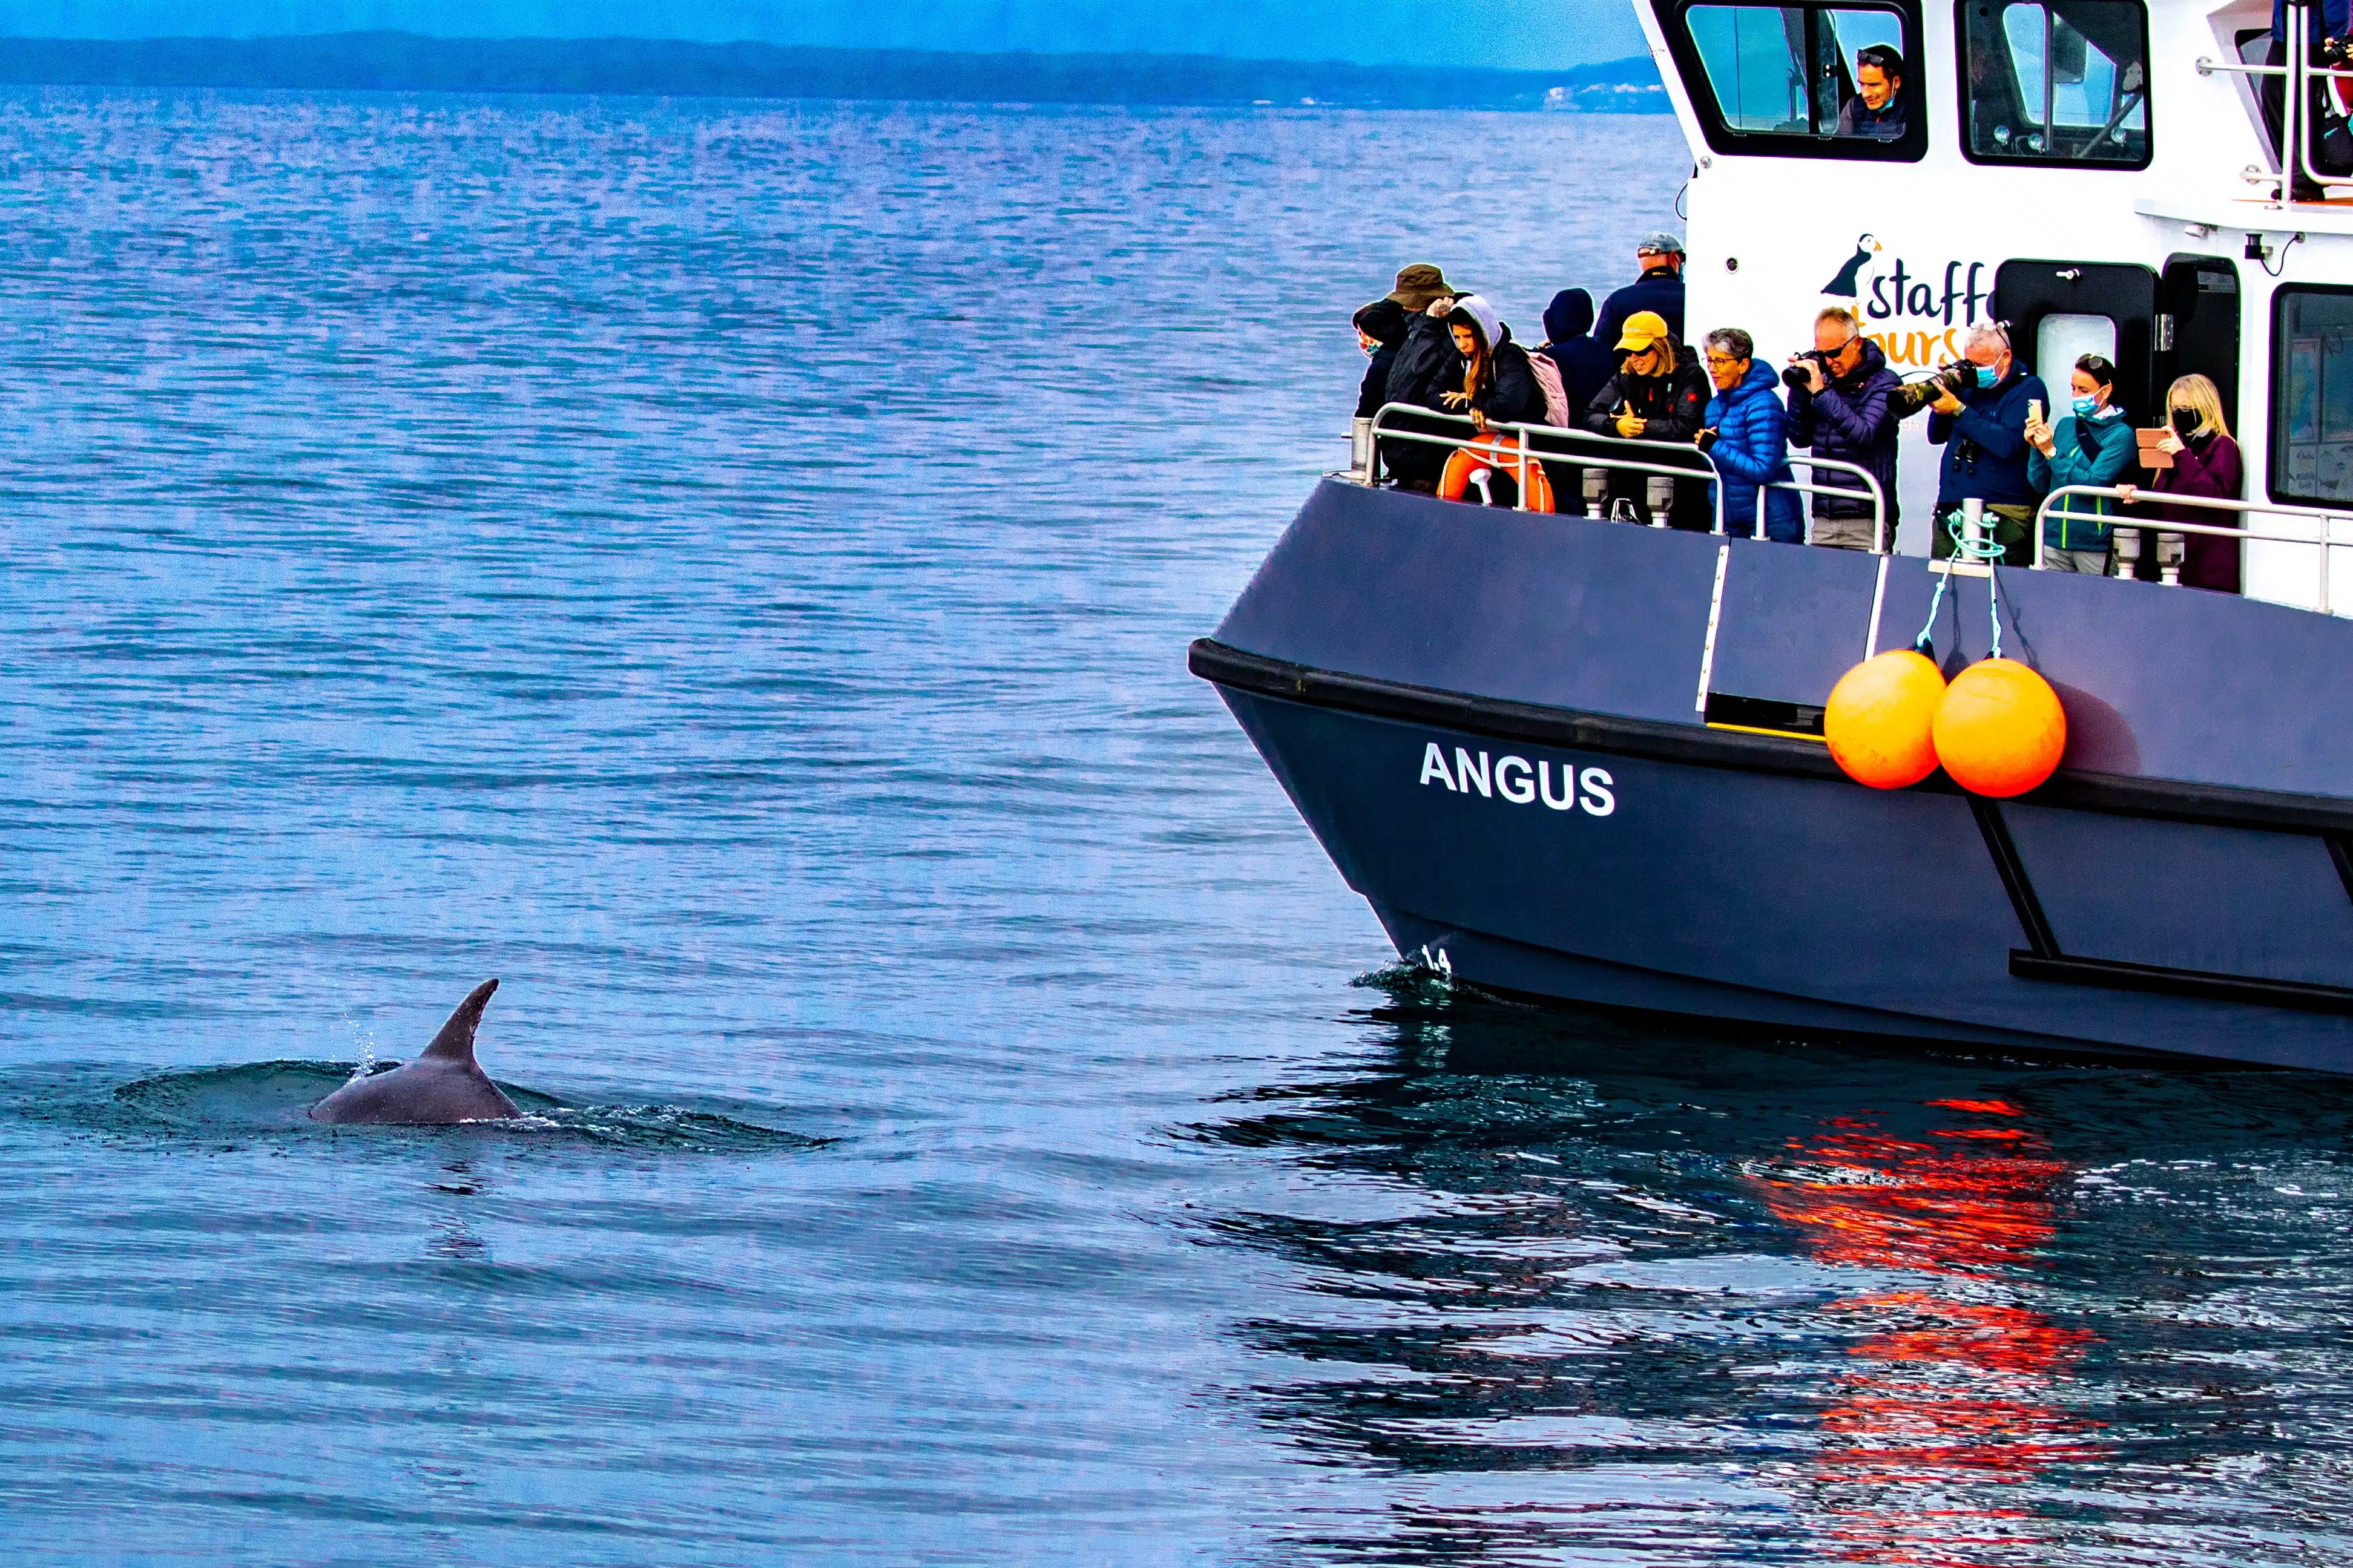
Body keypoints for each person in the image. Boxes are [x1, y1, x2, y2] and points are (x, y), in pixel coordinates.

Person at [1926, 322, 2049, 565]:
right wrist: (1947, 391)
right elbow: (1936, 435)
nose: (1976, 371)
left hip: (2003, 513)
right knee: (1944, 584)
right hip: (1951, 509)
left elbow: (2007, 443)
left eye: (1981, 365)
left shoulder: (2029, 388)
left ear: (2006, 357)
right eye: (1970, 364)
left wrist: (1959, 409)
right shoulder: (1968, 386)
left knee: (1997, 587)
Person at [1581, 309, 1713, 528]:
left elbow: (1688, 426)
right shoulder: (1627, 372)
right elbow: (1590, 414)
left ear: (1660, 347)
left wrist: (1639, 427)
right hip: (1634, 477)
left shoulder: (1691, 375)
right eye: (1628, 351)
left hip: (1680, 481)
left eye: (1641, 351)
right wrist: (1617, 425)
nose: (1634, 358)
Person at [1785, 306, 1901, 549]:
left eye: (1835, 353)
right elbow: (1799, 437)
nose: (1829, 361)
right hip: (1824, 515)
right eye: (1822, 354)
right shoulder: (1824, 381)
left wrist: (1821, 393)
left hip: (1868, 515)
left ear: (1856, 344)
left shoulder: (1886, 382)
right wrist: (1799, 389)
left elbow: (1864, 433)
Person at [2124, 374, 2245, 593]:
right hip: (2172, 561)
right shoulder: (2175, 446)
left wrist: (2182, 455)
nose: (2180, 414)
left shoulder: (2223, 446)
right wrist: (2139, 497)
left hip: (2208, 567)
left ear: (2205, 407)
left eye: (2187, 408)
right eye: (2175, 409)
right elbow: (2165, 503)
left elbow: (2215, 496)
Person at [1433, 295, 1550, 506]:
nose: (1462, 344)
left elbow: (1507, 405)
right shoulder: (1462, 358)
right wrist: (1469, 407)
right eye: (1457, 337)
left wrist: (1473, 400)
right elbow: (1432, 394)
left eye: (1468, 336)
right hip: (1490, 447)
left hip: (1532, 444)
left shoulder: (1509, 356)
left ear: (1482, 332)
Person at [2026, 353, 2133, 572]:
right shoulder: (2065, 425)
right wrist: (2037, 449)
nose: (2076, 396)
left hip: (2094, 543)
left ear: (2106, 391)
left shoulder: (2122, 435)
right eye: (2073, 388)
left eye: (2084, 390)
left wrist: (2051, 452)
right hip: (2053, 538)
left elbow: (2090, 486)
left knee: (2097, 597)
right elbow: (2039, 483)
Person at [1696, 327, 1804, 543]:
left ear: (1743, 365)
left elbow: (1763, 469)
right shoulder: (1715, 406)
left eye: (1720, 361)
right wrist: (1707, 448)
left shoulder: (1765, 404)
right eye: (1709, 360)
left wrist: (1714, 446)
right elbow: (1718, 465)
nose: (1712, 369)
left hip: (1771, 522)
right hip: (1728, 520)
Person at [1377, 264, 1467, 491]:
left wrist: (1430, 322)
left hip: (1423, 455)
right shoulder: (1415, 329)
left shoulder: (1444, 333)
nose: (1404, 307)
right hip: (1405, 450)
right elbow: (1370, 317)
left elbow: (1424, 366)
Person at [1533, 288, 1617, 508]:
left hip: (1568, 443)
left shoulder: (1554, 356)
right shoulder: (1605, 350)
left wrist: (1539, 351)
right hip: (1604, 439)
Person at [2263, 0, 2352, 201]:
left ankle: (2304, 179)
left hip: (2311, 33)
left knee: (2297, 103)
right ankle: (2302, 175)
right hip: (2288, 29)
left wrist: (2337, 37)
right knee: (2275, 97)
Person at [1594, 233, 1685, 351]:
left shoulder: (1617, 300)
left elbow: (1601, 349)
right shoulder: (1692, 297)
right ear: (1672, 258)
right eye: (1682, 261)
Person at [1352, 298, 1409, 421]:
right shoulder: (1411, 351)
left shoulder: (1380, 367)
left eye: (1362, 334)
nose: (1362, 340)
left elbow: (1366, 411)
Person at [1837, 44, 1906, 139]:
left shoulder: (1913, 111)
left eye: (1874, 85)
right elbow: (1842, 144)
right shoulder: (1854, 105)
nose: (1865, 94)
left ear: (1896, 82)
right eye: (1862, 84)